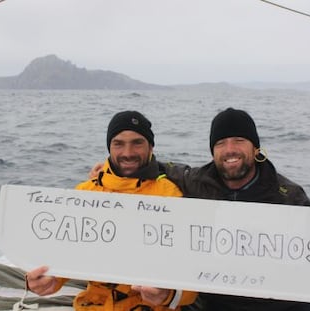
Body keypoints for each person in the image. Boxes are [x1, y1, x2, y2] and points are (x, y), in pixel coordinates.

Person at [26, 110, 197, 311]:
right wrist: (50, 280)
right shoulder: (85, 193)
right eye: (118, 143)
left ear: (150, 146)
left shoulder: (171, 196)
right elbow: (65, 253)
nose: (128, 153)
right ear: (109, 146)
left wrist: (167, 295)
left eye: (137, 142)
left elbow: (191, 281)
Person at [163, 107, 310, 311]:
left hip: (275, 302)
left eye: (239, 140)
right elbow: (164, 168)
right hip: (214, 299)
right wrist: (110, 166)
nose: (229, 150)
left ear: (255, 148)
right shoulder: (198, 181)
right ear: (212, 151)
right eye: (220, 143)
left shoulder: (288, 196)